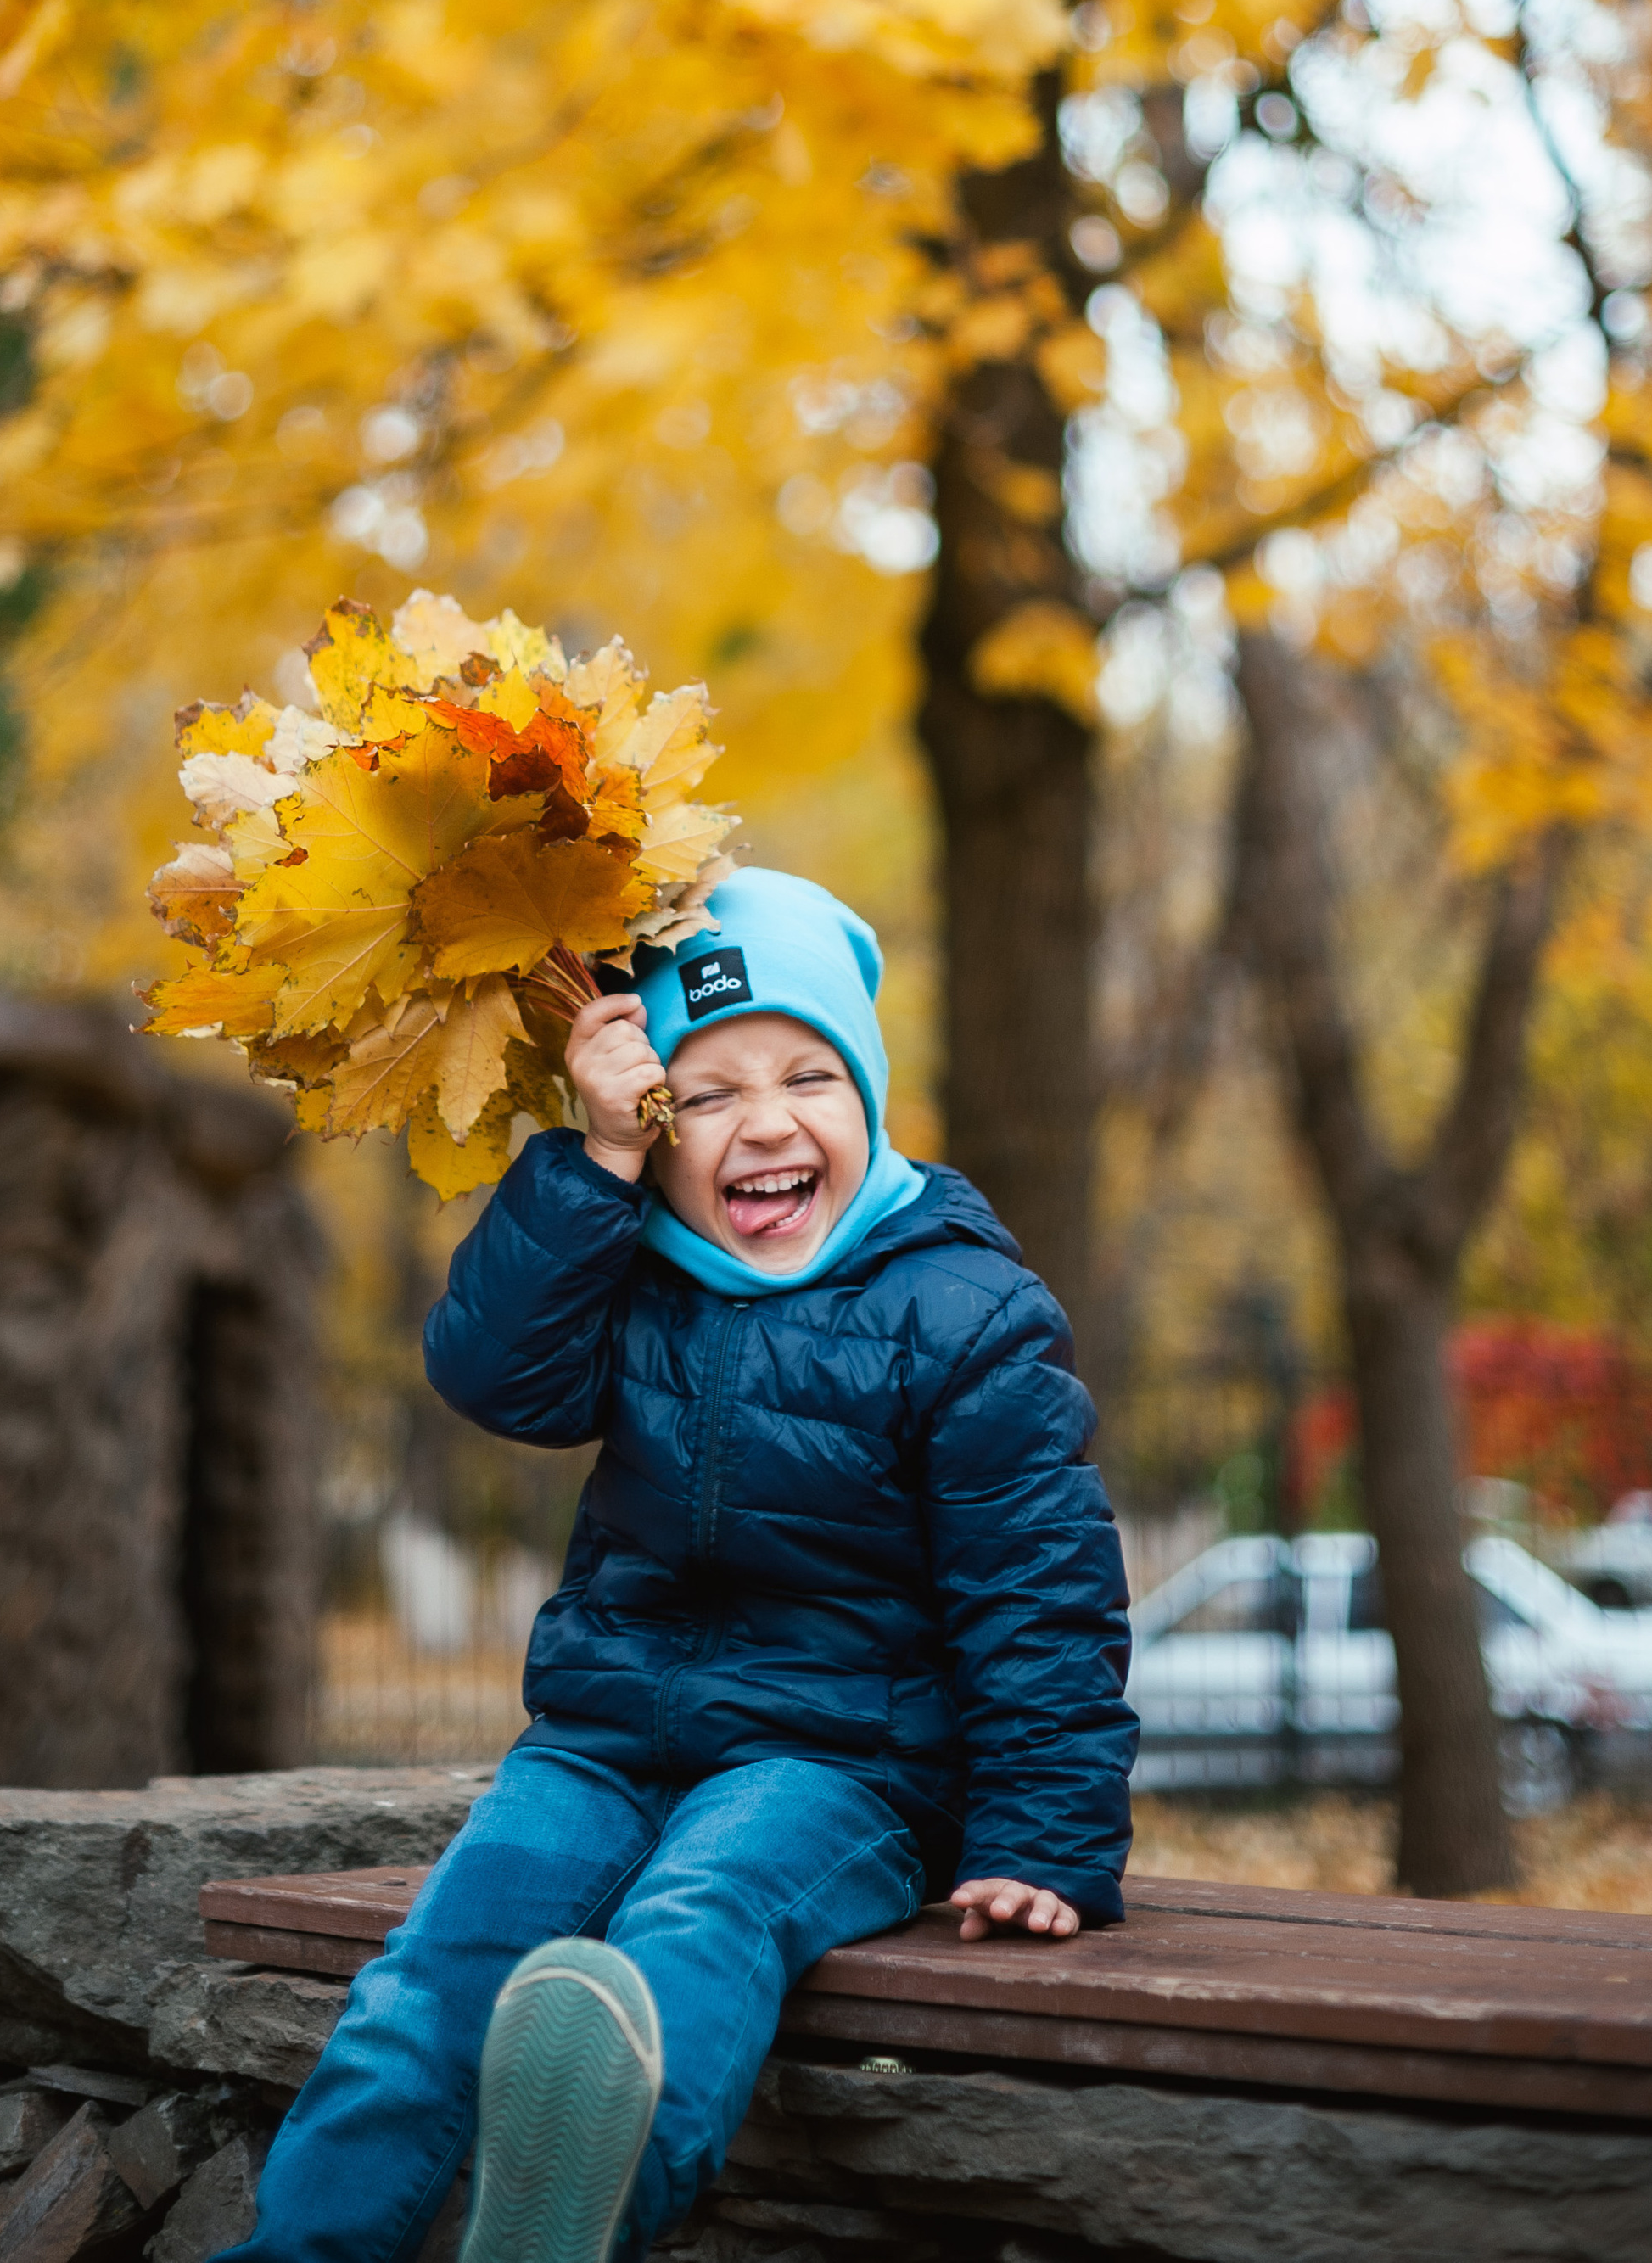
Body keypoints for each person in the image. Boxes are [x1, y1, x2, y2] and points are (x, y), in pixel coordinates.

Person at [225, 868, 1137, 2263]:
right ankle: (300, 2249)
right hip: (605, 1739)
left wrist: (1041, 1841)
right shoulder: (631, 1263)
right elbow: (491, 1374)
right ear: (655, 1124)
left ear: (868, 1095)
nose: (766, 1121)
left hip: (840, 1758)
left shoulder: (961, 1310)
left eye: (808, 1077)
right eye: (705, 1095)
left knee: (698, 1916)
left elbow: (1043, 1594)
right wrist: (590, 1161)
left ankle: (572, 2222)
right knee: (431, 1978)